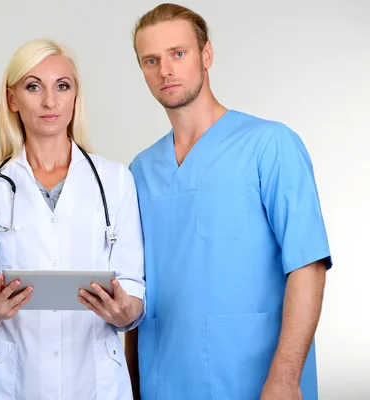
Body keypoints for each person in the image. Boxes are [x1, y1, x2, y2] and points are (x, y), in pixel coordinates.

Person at [124, 4, 332, 400]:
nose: (165, 70)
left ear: (207, 56)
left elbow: (308, 265)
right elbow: (137, 286)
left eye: (178, 53)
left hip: (252, 380)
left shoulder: (269, 145)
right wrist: (131, 386)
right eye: (151, 60)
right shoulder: (139, 171)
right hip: (162, 382)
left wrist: (286, 377)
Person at [0, 39, 145, 400]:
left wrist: (125, 312)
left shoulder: (115, 179)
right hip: (18, 379)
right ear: (12, 99)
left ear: (75, 96)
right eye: (34, 87)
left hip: (96, 377)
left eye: (63, 86)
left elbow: (132, 285)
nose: (50, 101)